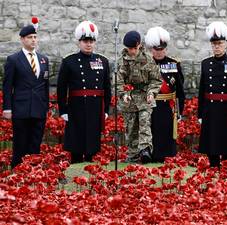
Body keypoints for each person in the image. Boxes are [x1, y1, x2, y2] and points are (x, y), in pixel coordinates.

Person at [57, 20, 111, 163]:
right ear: (79, 42)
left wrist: (106, 109)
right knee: (76, 140)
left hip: (95, 106)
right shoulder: (69, 61)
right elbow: (61, 88)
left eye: (91, 41)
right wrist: (63, 110)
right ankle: (75, 162)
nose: (88, 44)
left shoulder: (102, 61)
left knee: (92, 141)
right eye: (85, 41)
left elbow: (107, 87)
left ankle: (89, 163)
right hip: (76, 107)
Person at [197, 21, 227, 168]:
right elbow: (202, 90)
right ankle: (213, 166)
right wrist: (200, 113)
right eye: (214, 44)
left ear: (225, 44)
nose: (216, 47)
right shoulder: (205, 63)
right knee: (211, 140)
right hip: (210, 109)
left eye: (219, 43)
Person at [2, 18, 49, 169]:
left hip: (38, 108)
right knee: (20, 144)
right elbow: (7, 86)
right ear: (22, 39)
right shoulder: (13, 59)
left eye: (35, 37)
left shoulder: (43, 59)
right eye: (29, 37)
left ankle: (34, 173)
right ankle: (17, 172)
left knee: (35, 143)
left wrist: (46, 106)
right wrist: (7, 108)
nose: (33, 40)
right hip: (21, 109)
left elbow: (45, 85)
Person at [117, 30, 162, 164]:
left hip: (144, 98)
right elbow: (117, 81)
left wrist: (151, 93)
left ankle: (145, 150)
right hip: (129, 98)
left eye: (134, 48)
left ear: (139, 46)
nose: (132, 51)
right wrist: (123, 94)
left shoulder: (148, 59)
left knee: (144, 123)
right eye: (129, 49)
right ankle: (132, 156)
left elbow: (156, 79)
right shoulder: (122, 62)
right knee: (131, 128)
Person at [144, 26, 185, 162]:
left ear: (166, 48)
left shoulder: (173, 64)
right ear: (151, 49)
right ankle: (151, 155)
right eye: (157, 49)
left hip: (168, 105)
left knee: (167, 133)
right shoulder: (145, 64)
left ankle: (167, 156)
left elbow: (179, 90)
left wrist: (179, 112)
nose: (160, 52)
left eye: (162, 49)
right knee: (152, 131)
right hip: (151, 104)